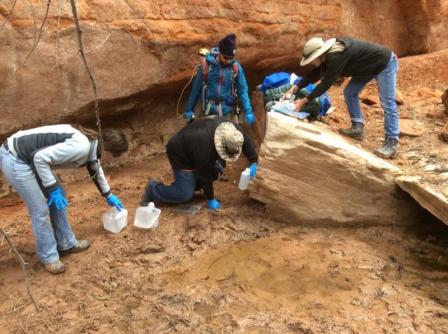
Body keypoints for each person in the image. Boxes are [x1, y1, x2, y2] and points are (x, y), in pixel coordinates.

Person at [0, 124, 128, 274]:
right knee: (40, 209)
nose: (112, 160)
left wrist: (108, 194)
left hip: (30, 157)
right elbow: (39, 158)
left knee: (60, 195)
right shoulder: (81, 147)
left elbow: (95, 167)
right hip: (16, 157)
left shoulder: (93, 145)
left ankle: (66, 243)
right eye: (115, 156)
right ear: (108, 150)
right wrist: (52, 189)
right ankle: (49, 257)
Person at [290, 36, 399, 158]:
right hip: (366, 67)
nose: (310, 62)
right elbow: (315, 74)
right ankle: (357, 128)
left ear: (318, 54)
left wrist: (304, 101)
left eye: (311, 59)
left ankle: (392, 142)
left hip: (384, 63)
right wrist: (296, 87)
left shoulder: (336, 56)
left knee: (387, 102)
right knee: (350, 92)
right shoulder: (327, 56)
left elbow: (326, 83)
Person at [140, 116, 258, 210]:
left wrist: (253, 161)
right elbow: (204, 175)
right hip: (180, 153)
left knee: (218, 170)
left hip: (194, 147)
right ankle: (153, 189)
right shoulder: (205, 149)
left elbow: (245, 139)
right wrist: (210, 198)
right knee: (185, 194)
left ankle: (189, 182)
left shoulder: (231, 130)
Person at [184, 33, 256, 126]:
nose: (228, 60)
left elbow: (242, 90)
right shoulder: (207, 65)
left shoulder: (235, 67)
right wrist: (189, 110)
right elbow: (196, 89)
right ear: (220, 53)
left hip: (226, 111)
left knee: (228, 138)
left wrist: (248, 111)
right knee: (199, 137)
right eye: (226, 57)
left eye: (231, 58)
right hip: (208, 110)